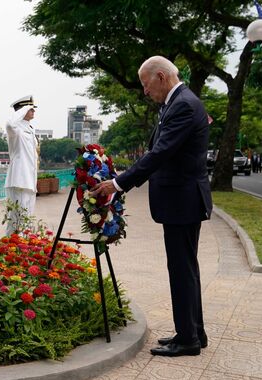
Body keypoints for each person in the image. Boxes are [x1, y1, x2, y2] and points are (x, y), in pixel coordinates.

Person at [91, 56, 212, 357]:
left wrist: (119, 183)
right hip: (181, 199)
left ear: (160, 76)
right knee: (186, 268)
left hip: (182, 200)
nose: (145, 91)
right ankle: (193, 331)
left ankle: (188, 340)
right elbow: (158, 151)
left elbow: (159, 153)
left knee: (182, 269)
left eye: (146, 85)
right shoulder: (175, 104)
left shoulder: (183, 104)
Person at [4, 95, 39, 233]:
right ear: (23, 110)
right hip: (19, 179)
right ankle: (12, 245)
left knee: (28, 217)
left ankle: (25, 246)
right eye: (31, 109)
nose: (34, 111)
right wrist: (20, 111)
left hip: (30, 179)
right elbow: (9, 124)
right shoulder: (15, 129)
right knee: (17, 217)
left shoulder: (30, 129)